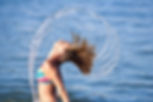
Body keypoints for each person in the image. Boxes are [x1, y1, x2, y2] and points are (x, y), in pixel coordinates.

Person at [36, 35, 95, 102]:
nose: (61, 40)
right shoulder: (52, 62)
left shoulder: (50, 66)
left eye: (63, 43)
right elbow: (58, 90)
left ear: (61, 52)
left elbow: (62, 91)